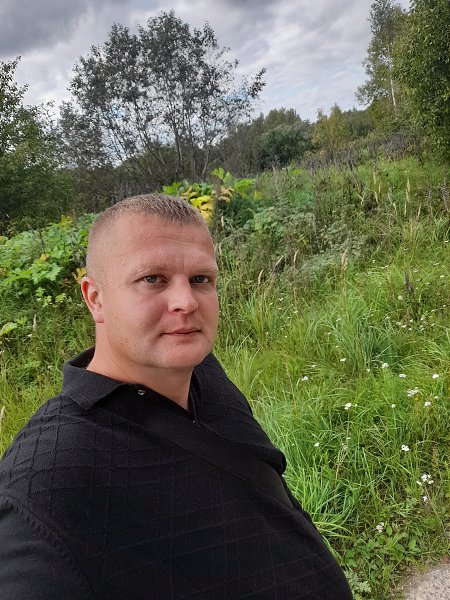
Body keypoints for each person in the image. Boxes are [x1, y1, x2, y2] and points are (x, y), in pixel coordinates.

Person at [0, 194, 352, 599]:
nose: (186, 302)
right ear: (95, 298)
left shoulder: (204, 374)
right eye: (153, 279)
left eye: (201, 279)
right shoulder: (43, 484)